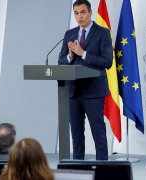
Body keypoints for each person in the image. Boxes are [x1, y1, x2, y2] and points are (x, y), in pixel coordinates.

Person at [58, 0, 112, 160]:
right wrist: (70, 56)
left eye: (82, 12)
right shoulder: (70, 34)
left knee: (98, 133)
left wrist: (83, 53)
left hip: (94, 91)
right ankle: (77, 168)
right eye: (76, 13)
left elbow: (107, 62)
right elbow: (61, 61)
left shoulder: (103, 32)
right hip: (73, 91)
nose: (79, 16)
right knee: (76, 134)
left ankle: (103, 169)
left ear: (90, 12)